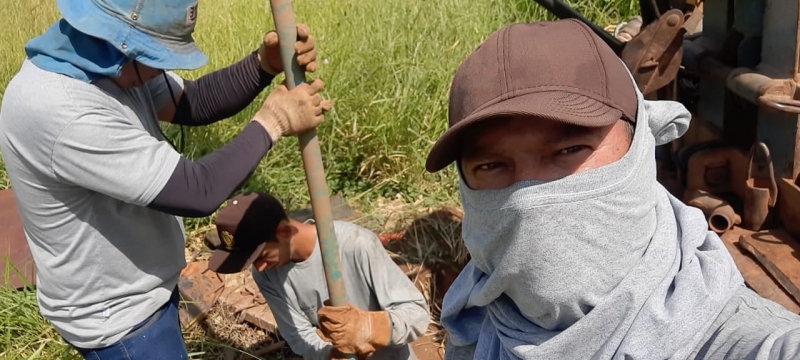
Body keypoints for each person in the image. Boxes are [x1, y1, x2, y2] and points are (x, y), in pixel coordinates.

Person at [424, 19, 800, 360]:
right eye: (491, 165)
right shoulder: (475, 323)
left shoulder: (753, 343)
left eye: (570, 150)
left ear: (640, 149)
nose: (527, 202)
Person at [0, 0, 331, 358]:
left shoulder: (101, 59)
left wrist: (262, 65)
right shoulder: (60, 108)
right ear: (123, 44)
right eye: (156, 56)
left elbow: (193, 101)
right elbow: (198, 191)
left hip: (142, 289)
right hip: (120, 320)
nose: (162, 68)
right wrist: (274, 122)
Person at [206, 192, 430, 360]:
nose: (260, 267)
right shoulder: (266, 275)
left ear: (284, 232)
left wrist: (370, 327)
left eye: (262, 255)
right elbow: (298, 335)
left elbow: (416, 314)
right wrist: (330, 354)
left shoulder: (354, 244)